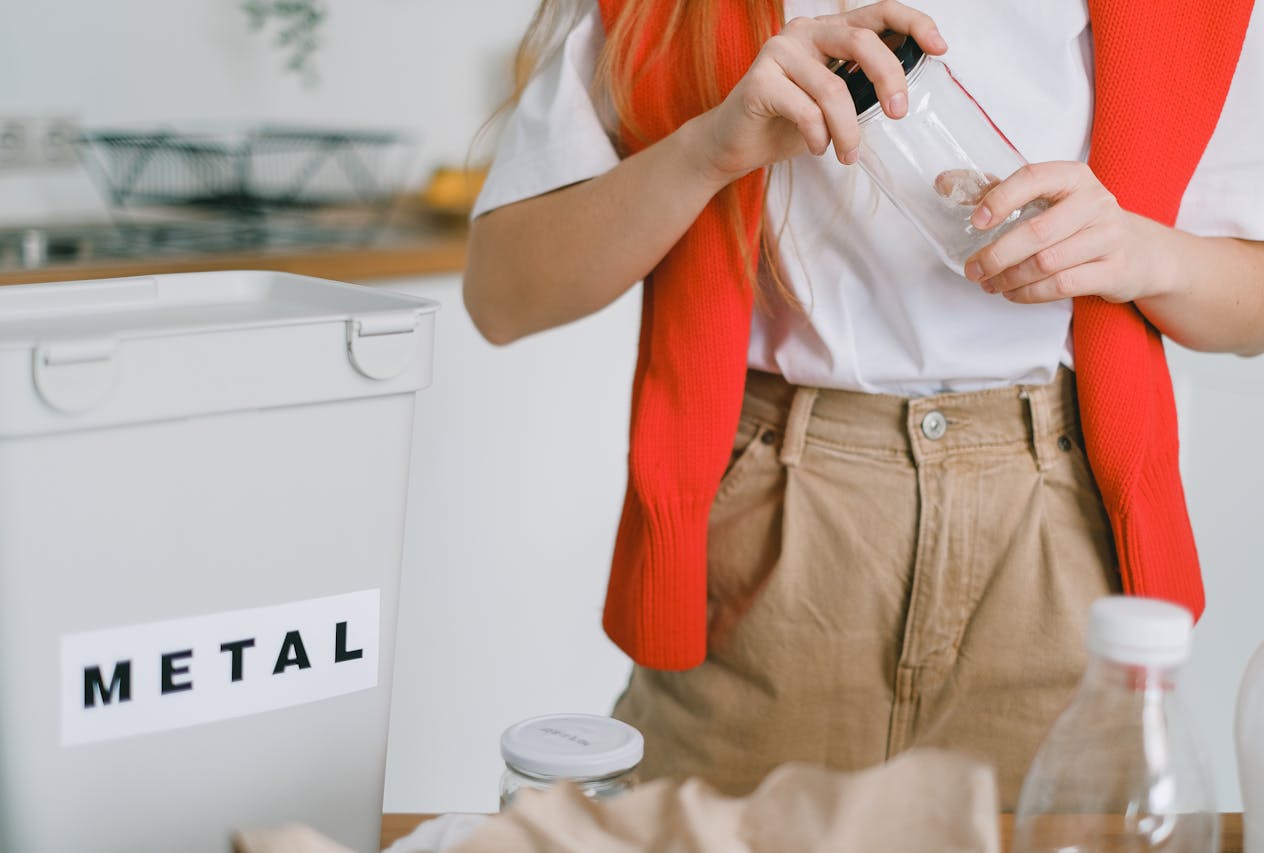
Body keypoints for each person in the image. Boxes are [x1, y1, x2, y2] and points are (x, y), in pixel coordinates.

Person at [463, 0, 1264, 807]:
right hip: (772, 546)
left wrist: (1145, 254)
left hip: (1058, 533)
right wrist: (711, 148)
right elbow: (503, 292)